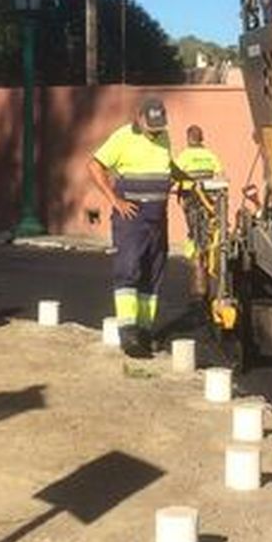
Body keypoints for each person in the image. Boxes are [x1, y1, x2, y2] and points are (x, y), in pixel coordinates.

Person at [86, 96, 174, 359]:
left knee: (153, 272)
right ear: (139, 118)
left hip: (158, 218)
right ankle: (129, 334)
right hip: (132, 218)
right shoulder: (123, 137)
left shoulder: (164, 138)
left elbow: (165, 168)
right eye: (151, 126)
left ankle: (146, 331)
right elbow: (94, 166)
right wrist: (116, 200)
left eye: (159, 126)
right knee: (129, 270)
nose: (156, 131)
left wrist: (184, 179)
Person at [173, 125, 225, 297]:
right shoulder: (211, 156)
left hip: (192, 202)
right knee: (212, 236)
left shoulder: (184, 156)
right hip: (210, 202)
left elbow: (174, 177)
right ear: (202, 138)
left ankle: (198, 288)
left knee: (195, 238)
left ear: (188, 138)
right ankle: (212, 282)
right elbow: (220, 175)